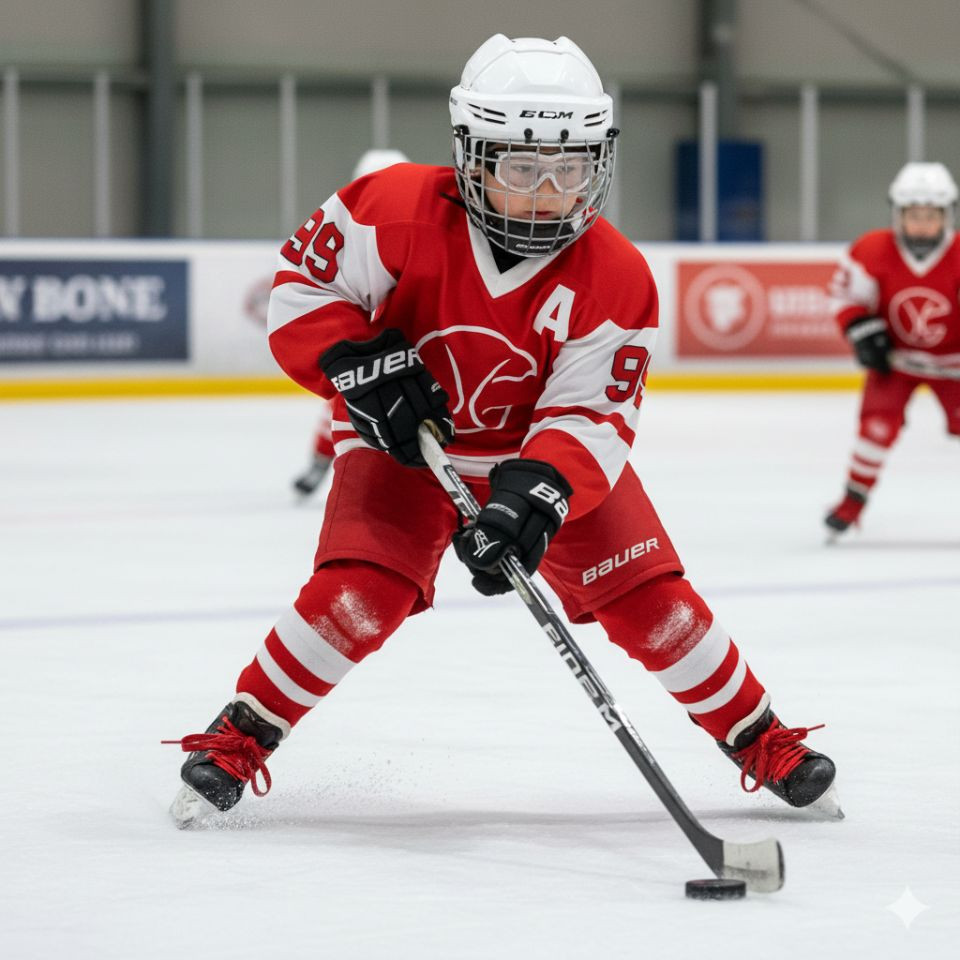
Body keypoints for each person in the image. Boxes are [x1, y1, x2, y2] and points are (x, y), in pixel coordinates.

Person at [166, 35, 838, 825]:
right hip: (403, 452)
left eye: (571, 168)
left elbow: (591, 416)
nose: (548, 192)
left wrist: (538, 497)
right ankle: (238, 738)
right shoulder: (389, 209)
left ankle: (761, 739)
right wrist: (355, 362)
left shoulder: (615, 275)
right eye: (521, 168)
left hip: (530, 458)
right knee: (358, 594)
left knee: (655, 602)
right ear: (473, 157)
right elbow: (301, 296)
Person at [825, 161, 960, 536]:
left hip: (954, 366)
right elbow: (845, 296)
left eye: (930, 215)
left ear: (947, 215)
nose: (921, 223)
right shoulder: (872, 249)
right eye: (912, 215)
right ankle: (852, 503)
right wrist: (861, 329)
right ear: (897, 214)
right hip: (896, 363)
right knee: (875, 430)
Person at [291, 148, 410, 498]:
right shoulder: (347, 232)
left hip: (408, 333)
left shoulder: (418, 229)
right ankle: (323, 459)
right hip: (373, 335)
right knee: (348, 398)